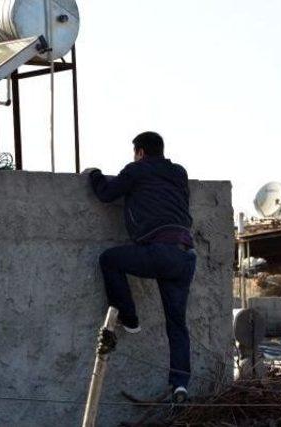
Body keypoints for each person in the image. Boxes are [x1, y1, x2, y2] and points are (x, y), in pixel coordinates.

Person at [85, 131, 196, 403]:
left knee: (109, 259)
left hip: (158, 251)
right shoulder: (179, 173)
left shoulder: (136, 171)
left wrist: (93, 173)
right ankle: (180, 384)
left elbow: (106, 193)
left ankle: (130, 318)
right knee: (177, 325)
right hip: (185, 256)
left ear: (140, 152)